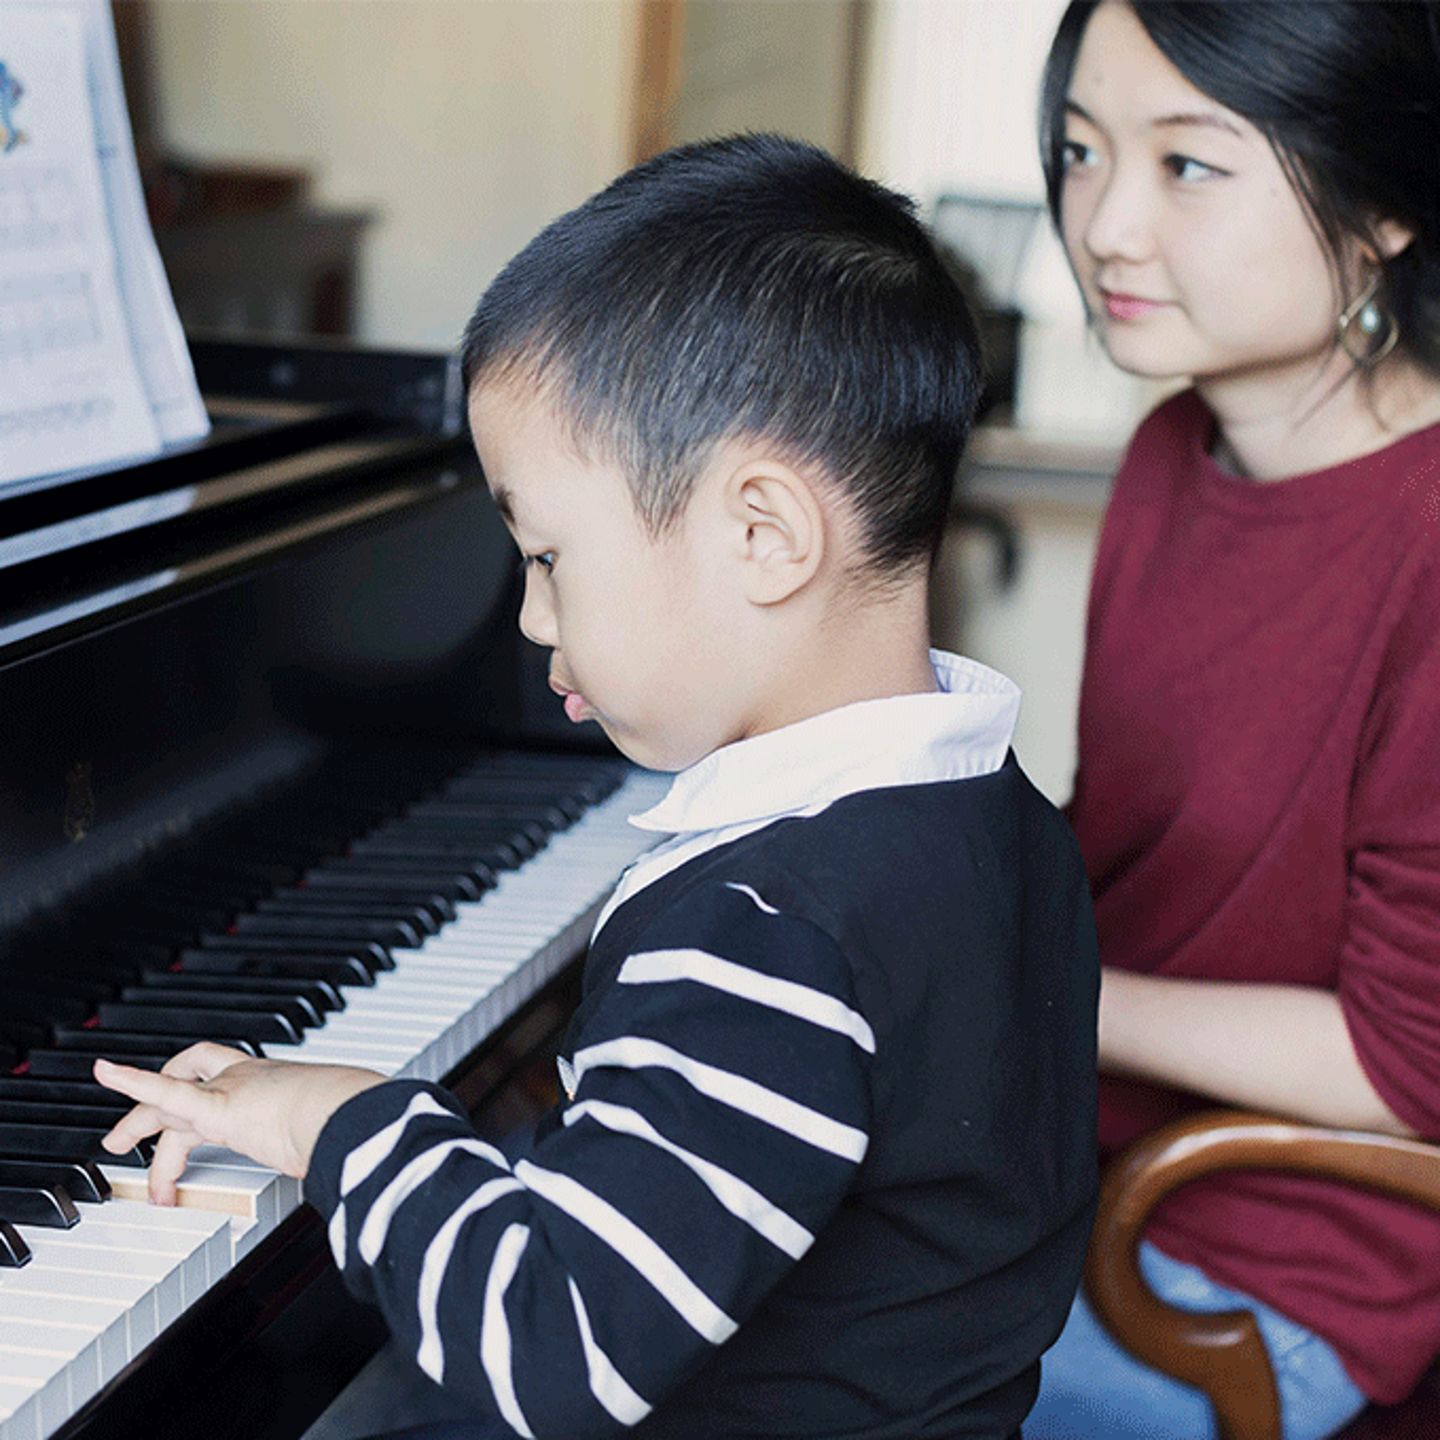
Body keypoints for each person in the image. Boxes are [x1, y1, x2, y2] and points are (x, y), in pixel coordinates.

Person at [94, 134, 1100, 1440]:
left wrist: (345, 1118)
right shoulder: (1001, 817)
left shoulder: (763, 929)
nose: (528, 617)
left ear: (764, 533)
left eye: (552, 557)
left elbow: (553, 1355)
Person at [1022, 5, 1440, 1439]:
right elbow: (1134, 862)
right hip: (1057, 1184)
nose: (1107, 228)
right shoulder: (1170, 454)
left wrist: (1019, 990)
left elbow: (1412, 1068)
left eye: (1188, 166)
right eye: (1081, 152)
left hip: (1247, 1270)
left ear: (1384, 205)